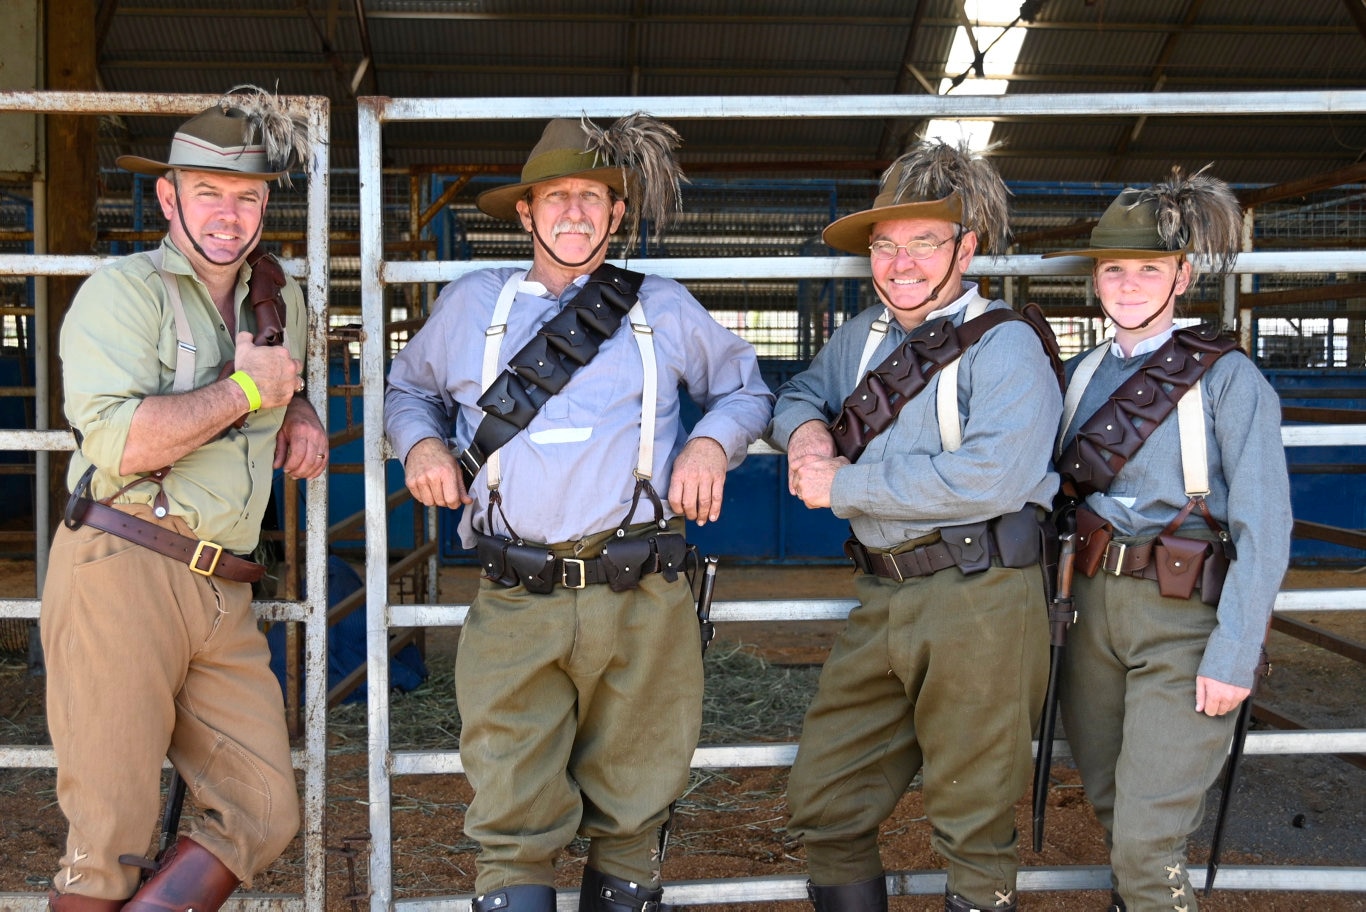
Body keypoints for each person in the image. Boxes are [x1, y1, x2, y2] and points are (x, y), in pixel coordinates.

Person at [383, 114, 772, 912]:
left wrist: (711, 445)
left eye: (591, 197)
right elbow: (405, 390)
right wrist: (419, 446)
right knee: (512, 809)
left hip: (642, 598)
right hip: (514, 600)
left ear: (616, 213)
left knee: (636, 803)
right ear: (525, 213)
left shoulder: (660, 307)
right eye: (555, 196)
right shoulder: (470, 306)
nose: (573, 212)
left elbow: (745, 388)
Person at [42, 87, 326, 911]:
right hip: (122, 561)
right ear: (168, 197)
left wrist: (298, 408)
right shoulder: (123, 292)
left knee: (266, 808)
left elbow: (279, 382)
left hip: (223, 586)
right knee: (111, 836)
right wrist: (246, 389)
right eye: (208, 192)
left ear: (265, 203)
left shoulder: (281, 300)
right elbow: (122, 444)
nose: (228, 214)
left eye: (246, 196)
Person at [772, 139, 1063, 912]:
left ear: (967, 248)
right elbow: (799, 389)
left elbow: (992, 478)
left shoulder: (1006, 346)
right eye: (885, 245)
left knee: (972, 818)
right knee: (828, 798)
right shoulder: (864, 336)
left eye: (924, 242)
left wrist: (846, 483)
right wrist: (805, 433)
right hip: (883, 596)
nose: (900, 263)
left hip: (982, 597)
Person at [1044, 169, 1291, 912]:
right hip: (1087, 609)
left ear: (1181, 276)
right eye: (1114, 268)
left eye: (1148, 268)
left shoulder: (1228, 378)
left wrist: (1235, 651)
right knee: (1119, 811)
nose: (1127, 283)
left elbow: (1266, 526)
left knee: (1147, 842)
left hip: (1184, 621)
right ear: (1096, 279)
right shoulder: (1080, 374)